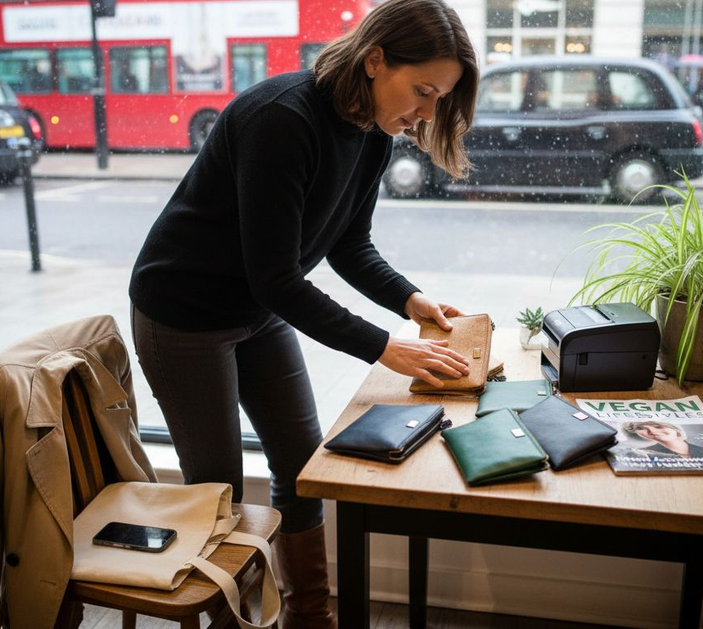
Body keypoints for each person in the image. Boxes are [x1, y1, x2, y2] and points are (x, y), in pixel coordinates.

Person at [127, 0, 479, 626]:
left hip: (257, 310)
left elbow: (347, 242)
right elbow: (277, 279)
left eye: (439, 98)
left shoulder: (374, 129)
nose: (426, 113)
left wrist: (407, 298)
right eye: (423, 91)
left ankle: (308, 617)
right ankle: (226, 619)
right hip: (183, 315)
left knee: (302, 467)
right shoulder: (282, 119)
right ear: (375, 60)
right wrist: (386, 347)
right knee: (217, 493)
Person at [620, 420, 703, 460]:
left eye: (658, 427)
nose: (652, 431)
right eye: (642, 429)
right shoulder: (644, 454)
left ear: (675, 429)